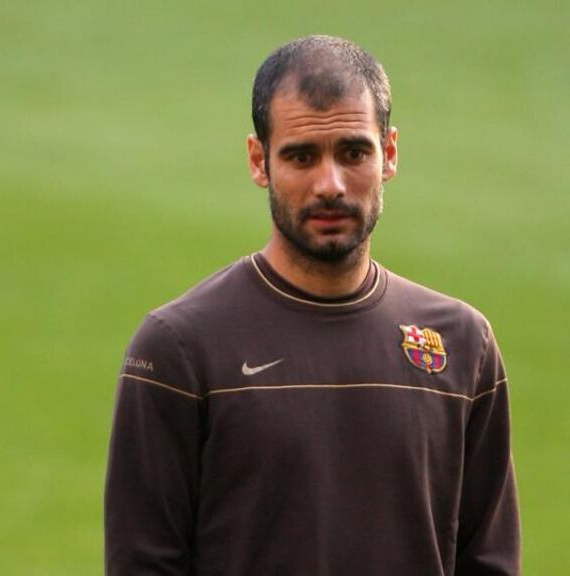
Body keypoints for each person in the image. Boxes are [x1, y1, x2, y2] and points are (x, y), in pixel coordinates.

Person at [105, 35, 519, 575]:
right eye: (302, 157)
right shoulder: (179, 349)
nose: (330, 184)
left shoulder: (462, 345)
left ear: (389, 154)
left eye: (353, 153)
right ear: (259, 161)